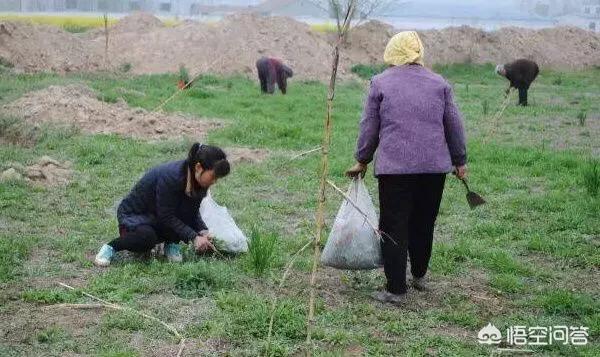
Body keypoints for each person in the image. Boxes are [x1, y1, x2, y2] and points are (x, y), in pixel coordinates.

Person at [346, 31, 467, 304]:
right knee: (424, 222)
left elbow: (369, 127)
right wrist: (460, 161)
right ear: (419, 52)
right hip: (434, 170)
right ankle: (420, 276)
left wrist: (362, 159)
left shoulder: (380, 82)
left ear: (393, 52)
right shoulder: (440, 83)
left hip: (395, 169)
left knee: (394, 225)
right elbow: (454, 124)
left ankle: (396, 290)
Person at [94, 143, 230, 267]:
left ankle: (170, 242)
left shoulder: (200, 182)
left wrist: (203, 231)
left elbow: (192, 211)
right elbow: (166, 216)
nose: (214, 181)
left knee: (184, 213)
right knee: (146, 239)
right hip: (137, 216)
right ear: (199, 167)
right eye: (213, 177)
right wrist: (194, 237)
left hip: (157, 215)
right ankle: (110, 247)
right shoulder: (172, 176)